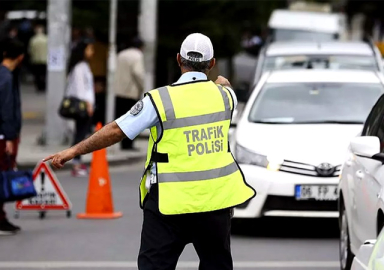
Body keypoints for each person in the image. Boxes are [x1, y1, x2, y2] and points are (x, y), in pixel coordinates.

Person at [44, 33, 256, 270]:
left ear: (178, 59)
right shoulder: (226, 97)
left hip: (169, 203)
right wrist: (220, 83)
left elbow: (116, 130)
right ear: (212, 63)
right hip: (215, 203)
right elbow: (224, 85)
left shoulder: (160, 100)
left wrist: (73, 151)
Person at [0, 39, 25, 235]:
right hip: (3, 136)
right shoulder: (7, 77)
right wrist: (9, 137)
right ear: (20, 57)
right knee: (3, 175)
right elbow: (7, 109)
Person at [65, 40, 95, 177]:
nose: (92, 52)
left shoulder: (83, 66)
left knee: (81, 133)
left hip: (85, 104)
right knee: (80, 134)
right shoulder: (80, 67)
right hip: (82, 105)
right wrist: (88, 104)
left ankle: (77, 161)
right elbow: (80, 89)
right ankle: (76, 163)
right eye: (89, 49)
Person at [114, 37, 145, 150]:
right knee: (133, 119)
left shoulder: (121, 54)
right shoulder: (137, 55)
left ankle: (122, 143)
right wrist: (142, 86)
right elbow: (138, 72)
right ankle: (129, 144)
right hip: (131, 92)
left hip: (119, 91)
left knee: (122, 119)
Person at [28, 25, 48, 92]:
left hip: (36, 60)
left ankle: (39, 87)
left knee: (37, 75)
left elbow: (30, 50)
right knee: (44, 74)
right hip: (45, 59)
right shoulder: (46, 39)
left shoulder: (33, 40)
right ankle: (44, 86)